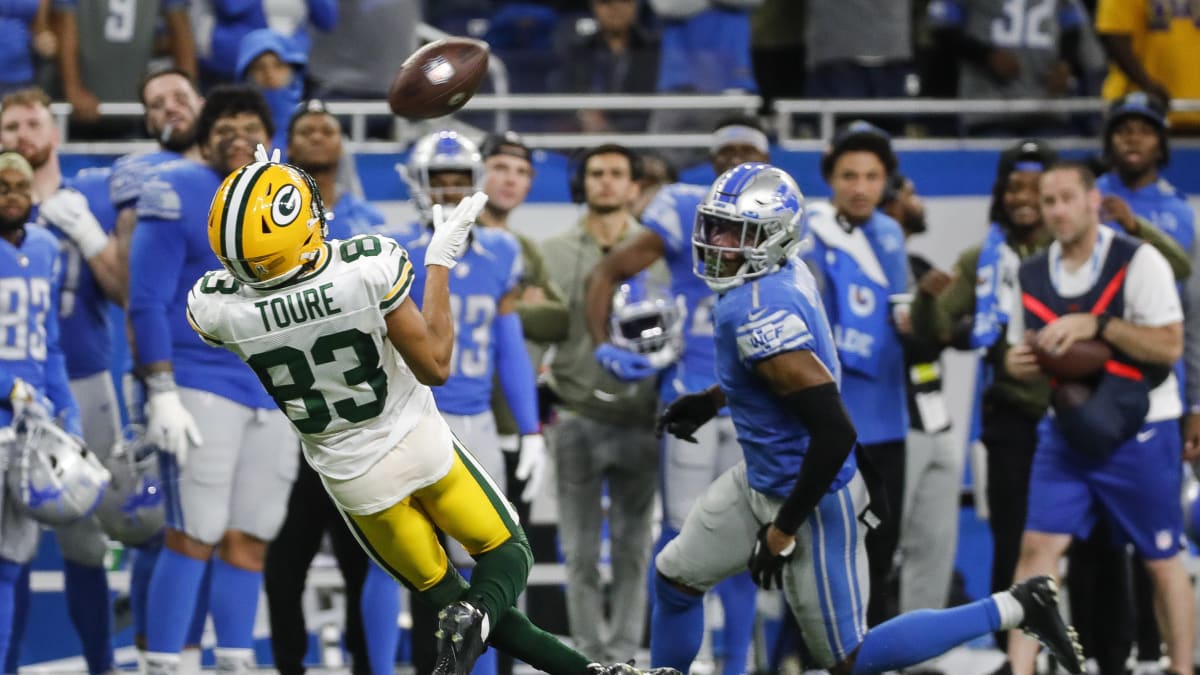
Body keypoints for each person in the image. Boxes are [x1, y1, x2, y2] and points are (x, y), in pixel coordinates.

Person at [185, 146, 678, 675]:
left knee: (452, 600)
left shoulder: (219, 310)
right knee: (507, 557)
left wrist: (255, 212)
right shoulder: (366, 266)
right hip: (415, 439)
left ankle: (590, 674)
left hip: (352, 478)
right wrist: (440, 263)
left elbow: (248, 277)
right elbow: (436, 365)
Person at [651, 161, 1084, 675]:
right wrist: (716, 399)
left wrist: (782, 531)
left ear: (773, 236)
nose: (715, 241)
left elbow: (835, 433)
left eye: (733, 231)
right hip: (763, 478)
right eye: (714, 225)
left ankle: (1018, 605)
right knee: (675, 579)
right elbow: (778, 375)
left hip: (810, 498)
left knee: (849, 658)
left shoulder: (759, 310)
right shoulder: (780, 274)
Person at [583, 115, 769, 675]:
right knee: (681, 537)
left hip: (754, 402)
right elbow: (608, 272)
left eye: (747, 151)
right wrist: (602, 345)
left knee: (747, 537)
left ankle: (735, 665)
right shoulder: (687, 206)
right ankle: (674, 667)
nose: (735, 160)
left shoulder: (785, 211)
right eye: (725, 151)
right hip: (692, 391)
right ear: (711, 162)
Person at [363, 129, 549, 675]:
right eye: (437, 181)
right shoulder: (389, 249)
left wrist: (531, 428)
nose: (447, 192)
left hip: (475, 420)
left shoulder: (501, 252)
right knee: (393, 559)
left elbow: (510, 347)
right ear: (417, 185)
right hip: (406, 418)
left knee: (487, 562)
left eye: (457, 181)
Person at [128, 86, 298, 675]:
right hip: (200, 383)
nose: (235, 134)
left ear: (269, 137)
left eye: (248, 124)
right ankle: (165, 663)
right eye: (222, 125)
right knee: (192, 532)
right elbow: (146, 302)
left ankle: (235, 660)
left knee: (251, 536)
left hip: (273, 389)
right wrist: (161, 389)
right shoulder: (176, 190)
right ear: (204, 135)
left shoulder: (290, 201)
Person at [1002, 161, 1194, 675]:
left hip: (1143, 428)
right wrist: (1016, 362)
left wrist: (1100, 324)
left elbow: (1170, 344)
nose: (1057, 210)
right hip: (1067, 431)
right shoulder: (1031, 273)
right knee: (1037, 548)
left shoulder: (1140, 260)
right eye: (1049, 201)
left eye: (1067, 197)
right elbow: (1023, 353)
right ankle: (1019, 669)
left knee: (1160, 559)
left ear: (1093, 201)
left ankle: (1182, 668)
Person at [0, 87, 125, 675]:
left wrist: (92, 236)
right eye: (10, 126)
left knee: (86, 538)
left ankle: (102, 665)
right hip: (12, 395)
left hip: (81, 380)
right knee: (10, 546)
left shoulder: (91, 193)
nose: (21, 134)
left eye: (32, 123)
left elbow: (124, 289)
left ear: (54, 133)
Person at [262, 98, 385, 675]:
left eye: (327, 128)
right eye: (305, 129)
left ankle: (370, 666)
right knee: (284, 560)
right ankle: (290, 664)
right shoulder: (264, 222)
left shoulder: (366, 219)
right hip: (290, 410)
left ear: (342, 143)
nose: (317, 136)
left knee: (367, 560)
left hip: (351, 417)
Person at [536, 143, 663, 663]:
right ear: (582, 183)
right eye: (596, 173)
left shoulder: (660, 251)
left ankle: (626, 658)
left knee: (635, 551)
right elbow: (536, 335)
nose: (606, 182)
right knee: (580, 552)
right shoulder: (552, 252)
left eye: (616, 173)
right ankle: (589, 660)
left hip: (642, 417)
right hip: (577, 413)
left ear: (634, 185)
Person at [801, 121, 908, 626]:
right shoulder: (807, 236)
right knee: (822, 555)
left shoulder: (891, 235)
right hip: (829, 426)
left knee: (881, 553)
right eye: (849, 175)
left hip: (889, 422)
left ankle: (876, 656)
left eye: (872, 175)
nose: (860, 187)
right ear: (830, 179)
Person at [0, 151, 81, 675]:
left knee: (10, 563)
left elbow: (48, 344)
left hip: (27, 432)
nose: (11, 195)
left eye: (20, 187)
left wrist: (66, 412)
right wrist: (8, 388)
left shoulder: (48, 247)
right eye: (2, 186)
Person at [879, 173, 961, 633]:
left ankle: (919, 656)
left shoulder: (919, 263)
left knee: (933, 549)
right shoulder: (867, 267)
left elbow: (953, 332)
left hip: (936, 419)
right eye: (911, 194)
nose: (919, 201)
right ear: (891, 204)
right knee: (877, 548)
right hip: (890, 425)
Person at [477, 131, 568, 514]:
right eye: (499, 167)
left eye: (521, 172)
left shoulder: (525, 248)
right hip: (458, 416)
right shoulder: (450, 239)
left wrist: (505, 308)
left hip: (514, 422)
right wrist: (512, 304)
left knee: (510, 552)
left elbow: (560, 320)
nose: (511, 179)